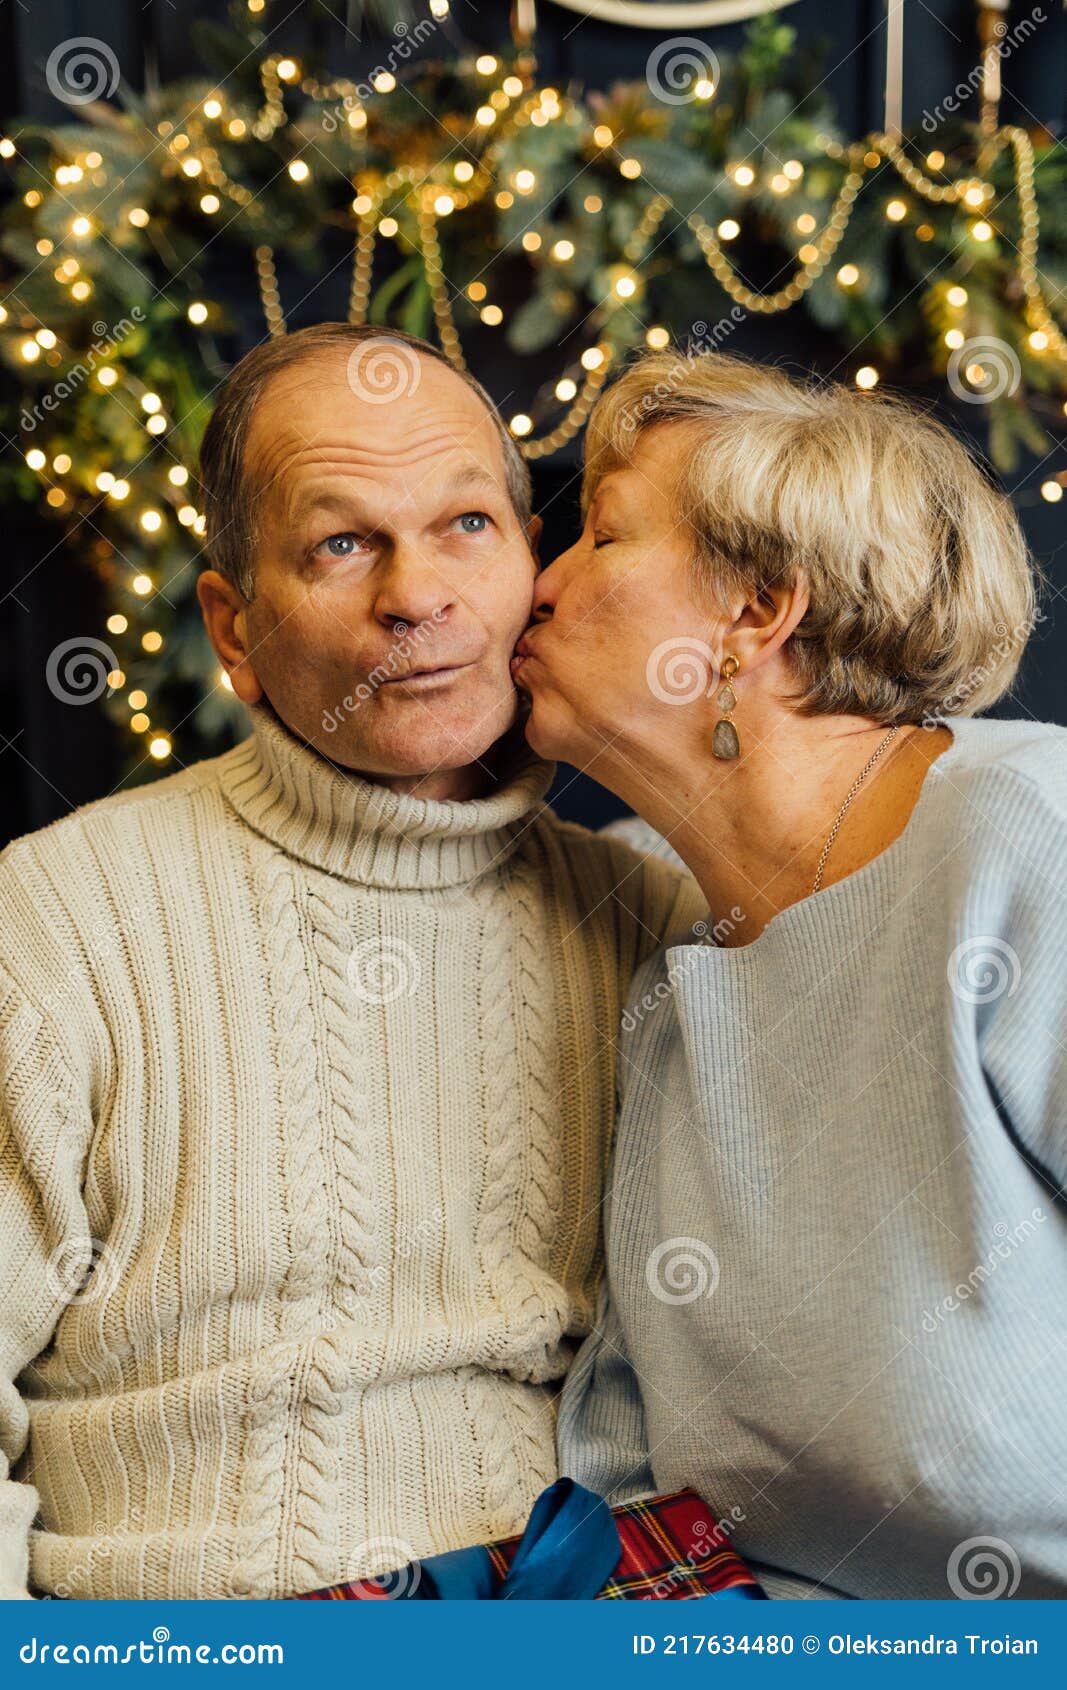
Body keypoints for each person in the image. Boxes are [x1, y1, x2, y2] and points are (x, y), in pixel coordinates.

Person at [0, 324, 703, 1601]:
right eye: (340, 542)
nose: (416, 596)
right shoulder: (62, 917)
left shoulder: (653, 921)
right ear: (233, 625)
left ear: (533, 567)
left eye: (467, 526)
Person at [511, 348, 1067, 1599]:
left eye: (600, 537)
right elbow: (635, 1481)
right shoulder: (655, 929)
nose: (536, 588)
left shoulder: (1027, 838)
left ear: (755, 613)